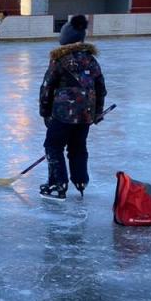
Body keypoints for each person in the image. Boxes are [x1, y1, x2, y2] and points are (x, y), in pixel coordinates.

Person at [38, 15, 107, 201]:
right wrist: (97, 112)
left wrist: (45, 112)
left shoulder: (60, 60)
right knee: (78, 146)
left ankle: (57, 184)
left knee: (53, 146)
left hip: (62, 114)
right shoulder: (91, 61)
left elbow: (47, 88)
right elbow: (100, 88)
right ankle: (80, 180)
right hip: (85, 115)